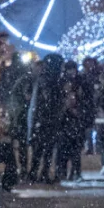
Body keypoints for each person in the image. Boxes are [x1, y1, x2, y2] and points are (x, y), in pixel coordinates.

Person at [27, 54, 65, 184]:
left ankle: (37, 173)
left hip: (44, 120)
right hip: (46, 120)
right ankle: (39, 173)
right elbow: (48, 101)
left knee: (42, 149)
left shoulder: (45, 78)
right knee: (44, 149)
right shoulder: (50, 80)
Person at [56, 61, 88, 182]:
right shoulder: (64, 82)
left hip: (72, 120)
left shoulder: (78, 82)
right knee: (69, 149)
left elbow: (84, 99)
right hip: (68, 121)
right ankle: (68, 172)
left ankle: (72, 172)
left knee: (73, 149)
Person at [7, 62, 40, 180]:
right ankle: (25, 170)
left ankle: (24, 169)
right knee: (24, 144)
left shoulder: (27, 79)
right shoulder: (29, 80)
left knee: (23, 144)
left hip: (22, 116)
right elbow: (26, 97)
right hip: (23, 116)